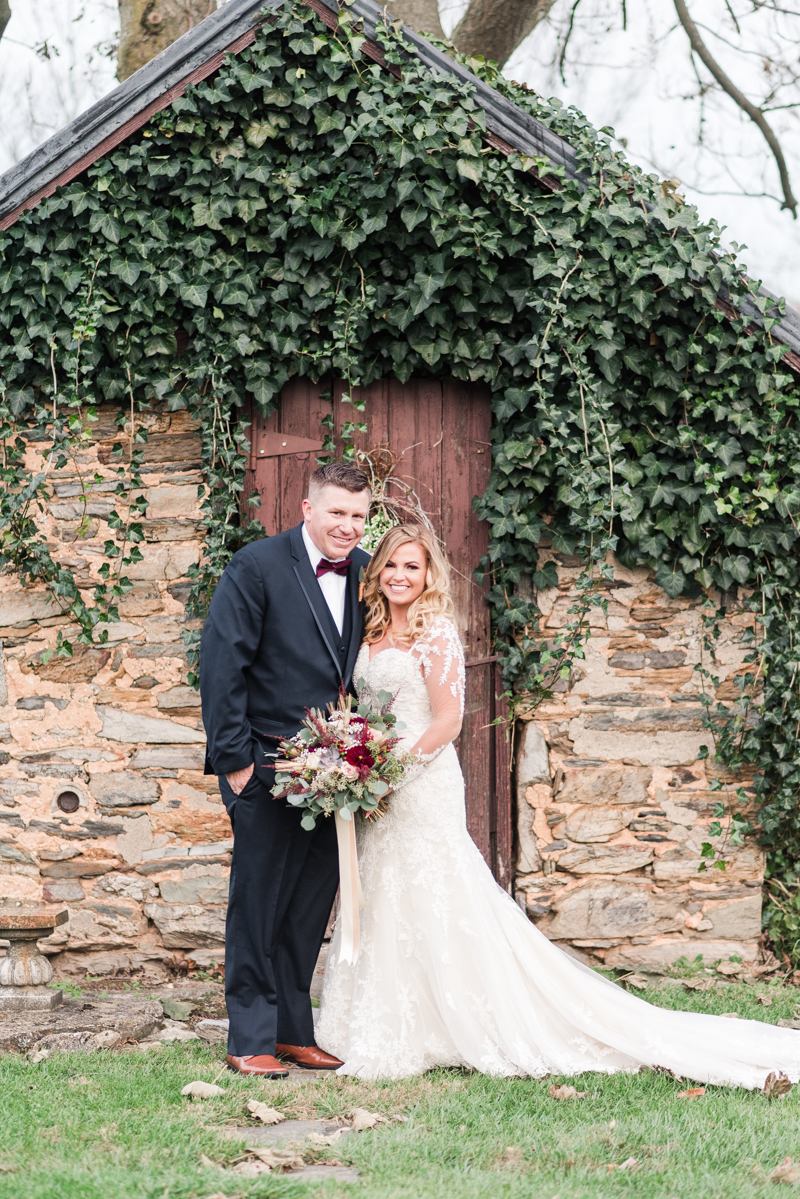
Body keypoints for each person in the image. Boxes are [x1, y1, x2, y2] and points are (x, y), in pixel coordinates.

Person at [316, 523, 800, 1087]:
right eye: (391, 566)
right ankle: (395, 1020)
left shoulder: (436, 633)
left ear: (428, 577)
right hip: (378, 787)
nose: (400, 576)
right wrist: (356, 768)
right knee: (384, 892)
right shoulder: (367, 632)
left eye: (412, 567)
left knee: (435, 891)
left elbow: (448, 722)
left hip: (420, 782)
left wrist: (389, 771)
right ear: (376, 574)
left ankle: (466, 1018)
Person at [200, 461, 371, 1077]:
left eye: (358, 515)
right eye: (337, 513)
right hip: (265, 767)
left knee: (307, 905)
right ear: (308, 509)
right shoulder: (257, 566)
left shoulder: (368, 574)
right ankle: (249, 1037)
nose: (348, 526)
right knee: (258, 904)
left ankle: (294, 1031)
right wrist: (236, 764)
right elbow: (222, 665)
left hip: (337, 774)